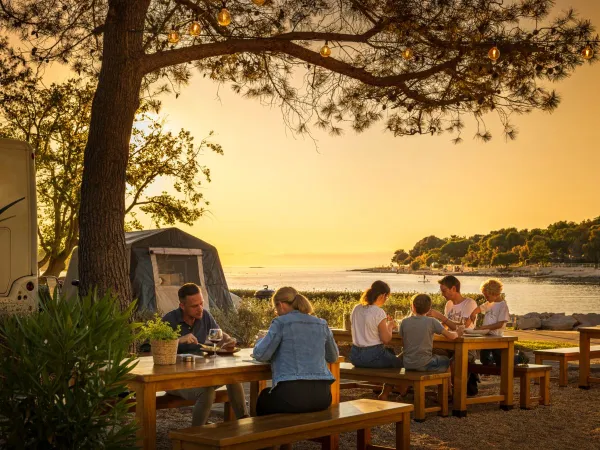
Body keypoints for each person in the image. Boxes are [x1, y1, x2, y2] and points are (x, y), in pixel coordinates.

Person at [162, 283, 249, 426]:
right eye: (195, 306)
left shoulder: (205, 316)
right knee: (207, 392)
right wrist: (178, 340)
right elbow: (155, 349)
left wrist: (229, 340)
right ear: (182, 306)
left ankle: (245, 423)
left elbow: (219, 334)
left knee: (233, 377)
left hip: (201, 376)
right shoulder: (169, 320)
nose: (200, 308)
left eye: (201, 303)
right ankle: (196, 434)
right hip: (176, 380)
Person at [252, 287, 339, 416]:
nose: (276, 313)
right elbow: (333, 357)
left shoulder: (281, 323)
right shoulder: (321, 324)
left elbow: (261, 354)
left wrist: (259, 341)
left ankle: (265, 436)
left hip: (292, 395)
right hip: (323, 396)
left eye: (275, 309)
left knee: (264, 398)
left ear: (280, 305)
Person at [399, 293, 460, 373]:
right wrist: (458, 333)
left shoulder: (404, 322)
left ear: (413, 306)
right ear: (429, 309)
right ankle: (447, 385)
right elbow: (451, 336)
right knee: (446, 360)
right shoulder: (432, 321)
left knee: (436, 357)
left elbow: (403, 342)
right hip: (425, 364)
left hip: (407, 364)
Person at [348, 280, 402, 369]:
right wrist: (390, 325)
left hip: (355, 356)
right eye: (386, 297)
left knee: (391, 354)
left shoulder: (356, 308)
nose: (386, 300)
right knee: (399, 363)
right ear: (382, 295)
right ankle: (387, 383)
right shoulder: (379, 312)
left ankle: (384, 383)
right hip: (373, 356)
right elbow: (386, 339)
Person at [468, 278, 511, 366]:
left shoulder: (503, 306)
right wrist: (473, 313)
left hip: (496, 337)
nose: (486, 298)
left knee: (500, 360)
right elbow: (480, 308)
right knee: (484, 358)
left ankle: (518, 358)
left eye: (487, 296)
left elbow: (500, 324)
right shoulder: (489, 303)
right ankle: (489, 368)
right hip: (486, 336)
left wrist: (484, 327)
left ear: (495, 294)